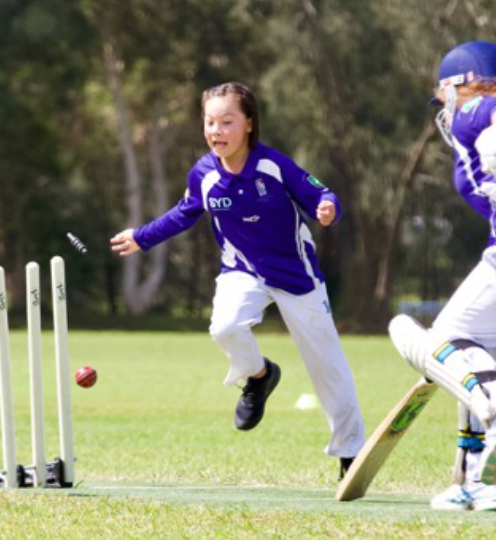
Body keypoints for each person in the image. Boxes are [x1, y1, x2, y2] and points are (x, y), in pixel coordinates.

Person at [111, 82, 365, 479]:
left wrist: (327, 208)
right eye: (210, 122)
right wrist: (142, 237)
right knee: (224, 327)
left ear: (248, 123)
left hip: (295, 274)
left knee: (327, 365)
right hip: (242, 270)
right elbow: (184, 213)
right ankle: (260, 375)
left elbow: (319, 194)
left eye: (227, 121)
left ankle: (350, 455)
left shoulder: (273, 165)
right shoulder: (203, 173)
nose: (217, 130)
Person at [389, 41, 496, 512]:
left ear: (464, 84)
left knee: (431, 339)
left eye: (444, 94)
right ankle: (482, 483)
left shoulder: (478, 108)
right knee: (478, 360)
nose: (443, 109)